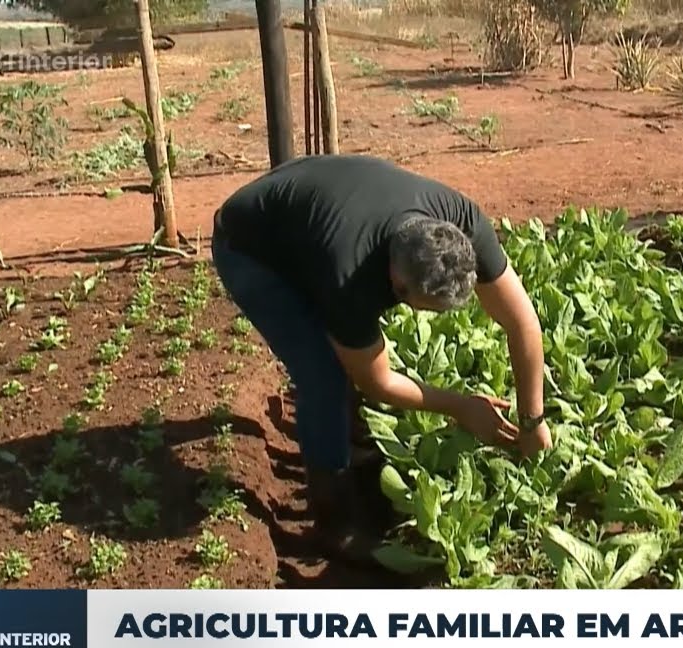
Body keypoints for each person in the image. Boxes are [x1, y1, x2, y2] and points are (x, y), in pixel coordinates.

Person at [210, 154, 553, 561]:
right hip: (250, 246)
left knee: (344, 355)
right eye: (427, 308)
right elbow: (379, 381)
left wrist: (533, 420)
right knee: (324, 379)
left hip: (317, 205)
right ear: (397, 282)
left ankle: (346, 438)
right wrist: (462, 407)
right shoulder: (350, 276)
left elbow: (523, 323)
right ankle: (334, 524)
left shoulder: (464, 220)